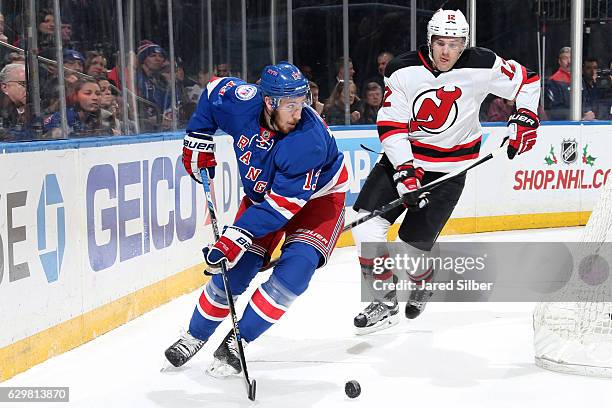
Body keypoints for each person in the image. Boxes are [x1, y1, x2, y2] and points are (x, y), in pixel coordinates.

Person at [350, 9, 540, 334]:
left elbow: (528, 81)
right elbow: (391, 124)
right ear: (429, 40)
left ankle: (422, 279)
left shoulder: (483, 64)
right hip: (405, 159)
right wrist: (404, 171)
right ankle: (384, 300)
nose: (447, 51)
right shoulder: (402, 68)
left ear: (464, 44)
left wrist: (524, 118)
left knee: (411, 248)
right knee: (366, 226)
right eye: (440, 42)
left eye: (454, 44)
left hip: (450, 171)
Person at [164, 62, 348, 377]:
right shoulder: (242, 101)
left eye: (302, 103)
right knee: (235, 271)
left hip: (318, 201)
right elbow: (212, 92)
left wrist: (235, 237)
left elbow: (280, 208)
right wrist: (198, 137)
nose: (298, 112)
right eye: (291, 105)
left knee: (296, 270)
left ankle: (239, 340)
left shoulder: (309, 141)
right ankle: (195, 335)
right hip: (262, 198)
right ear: (268, 101)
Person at [43, 77, 116, 138]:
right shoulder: (62, 117)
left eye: (98, 94)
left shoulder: (104, 116)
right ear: (75, 96)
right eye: (88, 93)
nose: (95, 98)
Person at [0, 63, 31, 140]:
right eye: (23, 84)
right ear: (4, 87)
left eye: (30, 84)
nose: (29, 89)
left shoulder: (36, 109)